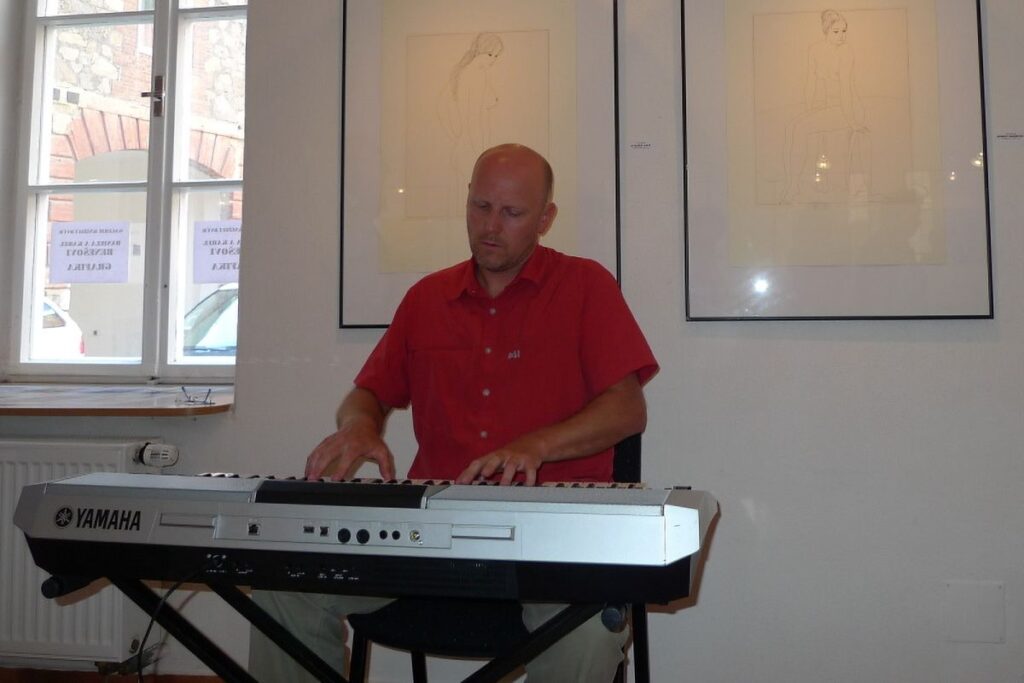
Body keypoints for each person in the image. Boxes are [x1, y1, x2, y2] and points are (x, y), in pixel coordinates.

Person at [250, 143, 658, 682]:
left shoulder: (586, 286)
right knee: (281, 589)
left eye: (512, 213)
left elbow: (627, 409)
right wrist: (360, 425)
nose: (491, 226)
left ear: (545, 219)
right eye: (480, 206)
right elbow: (367, 393)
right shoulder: (427, 298)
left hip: (552, 537)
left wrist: (536, 446)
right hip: (430, 534)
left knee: (587, 631)